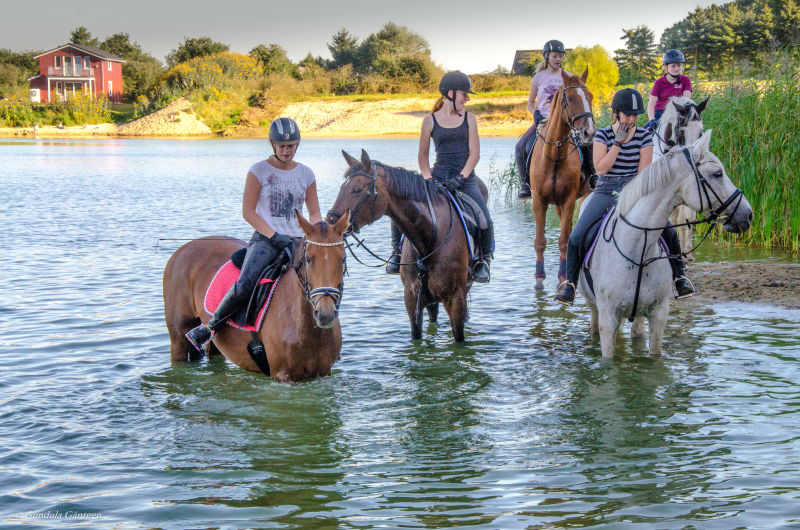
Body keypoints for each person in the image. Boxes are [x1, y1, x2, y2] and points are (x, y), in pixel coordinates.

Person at [185, 117, 323, 351]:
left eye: (291, 146)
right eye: (282, 146)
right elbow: (248, 212)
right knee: (246, 282)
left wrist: (321, 233)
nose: (287, 150)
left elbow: (315, 212)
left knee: (323, 280)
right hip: (266, 239)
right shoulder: (259, 170)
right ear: (273, 145)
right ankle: (210, 327)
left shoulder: (306, 174)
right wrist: (274, 236)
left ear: (297, 145)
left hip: (298, 241)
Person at [554, 88, 695, 305]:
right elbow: (601, 169)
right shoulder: (602, 135)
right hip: (606, 189)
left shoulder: (644, 135)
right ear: (616, 114)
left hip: (635, 188)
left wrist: (635, 192)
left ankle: (680, 277)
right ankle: (570, 284)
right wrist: (618, 143)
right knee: (577, 236)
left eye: (634, 115)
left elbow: (643, 171)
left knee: (667, 230)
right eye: (627, 115)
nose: (631, 119)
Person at [386, 71, 494, 283]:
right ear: (451, 93)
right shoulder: (429, 121)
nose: (467, 99)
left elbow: (475, 154)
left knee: (485, 220)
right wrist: (428, 179)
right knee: (402, 208)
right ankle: (396, 254)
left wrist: (461, 178)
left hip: (465, 179)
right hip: (437, 176)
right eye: (465, 94)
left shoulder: (470, 119)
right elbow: (423, 156)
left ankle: (484, 261)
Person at [515, 40, 571, 198]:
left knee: (587, 142)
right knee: (520, 147)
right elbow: (530, 103)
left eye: (560, 56)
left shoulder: (568, 76)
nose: (558, 59)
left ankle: (592, 176)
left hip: (563, 122)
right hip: (543, 122)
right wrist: (536, 114)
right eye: (555, 56)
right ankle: (525, 183)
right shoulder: (538, 77)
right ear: (547, 57)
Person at [645, 49, 693, 130]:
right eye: (673, 66)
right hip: (659, 114)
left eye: (679, 65)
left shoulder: (685, 80)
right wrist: (652, 120)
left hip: (677, 113)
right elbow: (651, 104)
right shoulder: (659, 83)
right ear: (665, 67)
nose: (677, 68)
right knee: (643, 134)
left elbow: (685, 101)